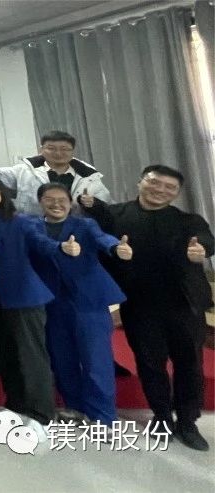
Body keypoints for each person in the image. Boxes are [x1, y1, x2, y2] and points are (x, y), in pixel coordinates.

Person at [85, 165, 210, 450]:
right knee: (149, 363)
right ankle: (162, 416)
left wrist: (201, 249)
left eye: (170, 187)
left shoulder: (187, 220)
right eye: (155, 183)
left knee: (190, 363)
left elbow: (206, 239)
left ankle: (188, 421)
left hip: (184, 304)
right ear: (140, 182)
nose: (160, 190)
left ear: (177, 193)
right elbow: (95, 237)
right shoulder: (114, 215)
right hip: (139, 304)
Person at [23, 182, 124, 428]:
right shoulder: (32, 225)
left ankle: (102, 417)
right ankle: (75, 408)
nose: (56, 204)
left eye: (62, 200)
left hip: (88, 301)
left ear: (70, 203)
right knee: (62, 358)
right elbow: (38, 243)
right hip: (52, 301)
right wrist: (61, 247)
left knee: (96, 360)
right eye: (49, 199)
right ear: (40, 202)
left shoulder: (85, 225)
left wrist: (115, 247)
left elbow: (102, 239)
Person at [0, 176, 64, 429]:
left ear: (3, 194)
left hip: (23, 296)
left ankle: (42, 411)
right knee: (5, 354)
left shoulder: (20, 221)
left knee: (31, 354)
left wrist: (60, 248)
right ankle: (17, 403)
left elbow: (41, 242)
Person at [0, 130, 109, 216]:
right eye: (51, 148)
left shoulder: (89, 176)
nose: (58, 153)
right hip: (31, 229)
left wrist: (93, 203)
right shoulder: (24, 170)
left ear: (73, 151)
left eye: (64, 149)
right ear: (41, 149)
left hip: (76, 232)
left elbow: (107, 207)